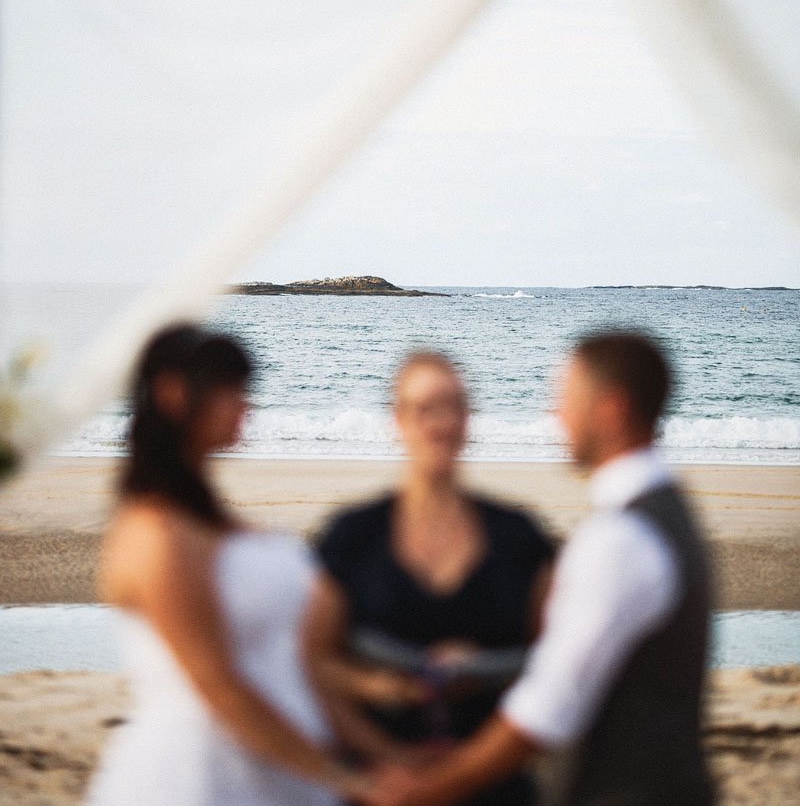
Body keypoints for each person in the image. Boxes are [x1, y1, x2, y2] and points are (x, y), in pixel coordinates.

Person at [370, 330, 715, 806]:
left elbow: (551, 706)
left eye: (565, 399)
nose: (555, 415)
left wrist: (431, 788)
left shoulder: (618, 541)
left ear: (610, 410)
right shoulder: (670, 514)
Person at [87, 323, 372, 806]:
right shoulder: (156, 532)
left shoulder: (208, 518)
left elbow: (285, 655)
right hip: (198, 777)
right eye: (230, 390)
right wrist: (342, 780)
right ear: (174, 394)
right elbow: (218, 686)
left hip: (275, 763)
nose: (246, 404)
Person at [304, 350, 554, 806]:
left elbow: (556, 666)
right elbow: (313, 661)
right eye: (424, 408)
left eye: (454, 406)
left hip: (495, 785)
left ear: (468, 418)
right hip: (382, 786)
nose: (440, 422)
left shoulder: (520, 537)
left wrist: (485, 672)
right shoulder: (353, 537)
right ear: (397, 421)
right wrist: (386, 693)